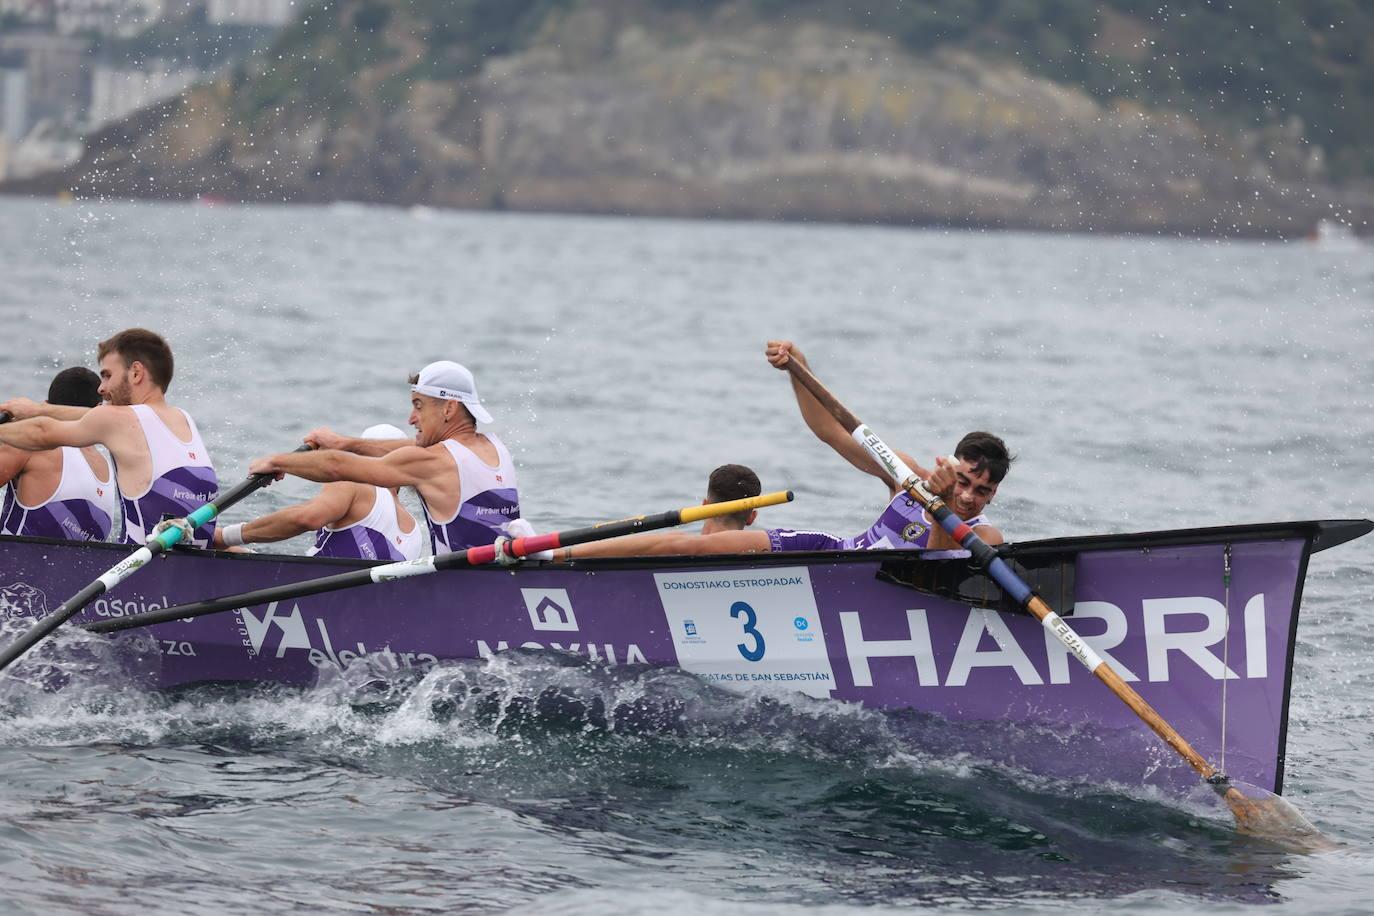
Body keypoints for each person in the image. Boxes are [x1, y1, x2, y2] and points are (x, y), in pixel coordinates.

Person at [562, 341, 1010, 561]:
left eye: (982, 491)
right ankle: (557, 558)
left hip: (876, 583)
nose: (969, 495)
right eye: (965, 481)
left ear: (992, 497)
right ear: (950, 465)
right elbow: (828, 430)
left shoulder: (986, 537)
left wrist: (939, 508)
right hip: (835, 552)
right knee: (702, 547)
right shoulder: (905, 476)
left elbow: (931, 565)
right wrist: (799, 369)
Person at [249, 360, 522, 554]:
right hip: (501, 576)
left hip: (461, 592)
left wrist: (278, 461)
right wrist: (345, 442)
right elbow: (408, 449)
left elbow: (336, 467)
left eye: (418, 406)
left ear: (449, 408)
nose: (411, 418)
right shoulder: (494, 446)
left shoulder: (434, 462)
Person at [0, 329, 220, 548]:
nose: (101, 388)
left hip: (135, 573)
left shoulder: (119, 421)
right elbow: (92, 416)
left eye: (107, 375)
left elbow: (42, 432)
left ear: (136, 373)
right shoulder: (182, 419)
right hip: (181, 566)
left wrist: (37, 410)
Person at [214, 424, 423, 561]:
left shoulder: (356, 483)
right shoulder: (416, 533)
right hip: (362, 612)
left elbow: (306, 517)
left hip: (317, 599)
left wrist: (225, 537)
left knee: (220, 546)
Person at [0, 367, 118, 542]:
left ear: (45, 406)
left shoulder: (29, 446)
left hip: (12, 566)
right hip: (84, 569)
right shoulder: (107, 467)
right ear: (98, 408)